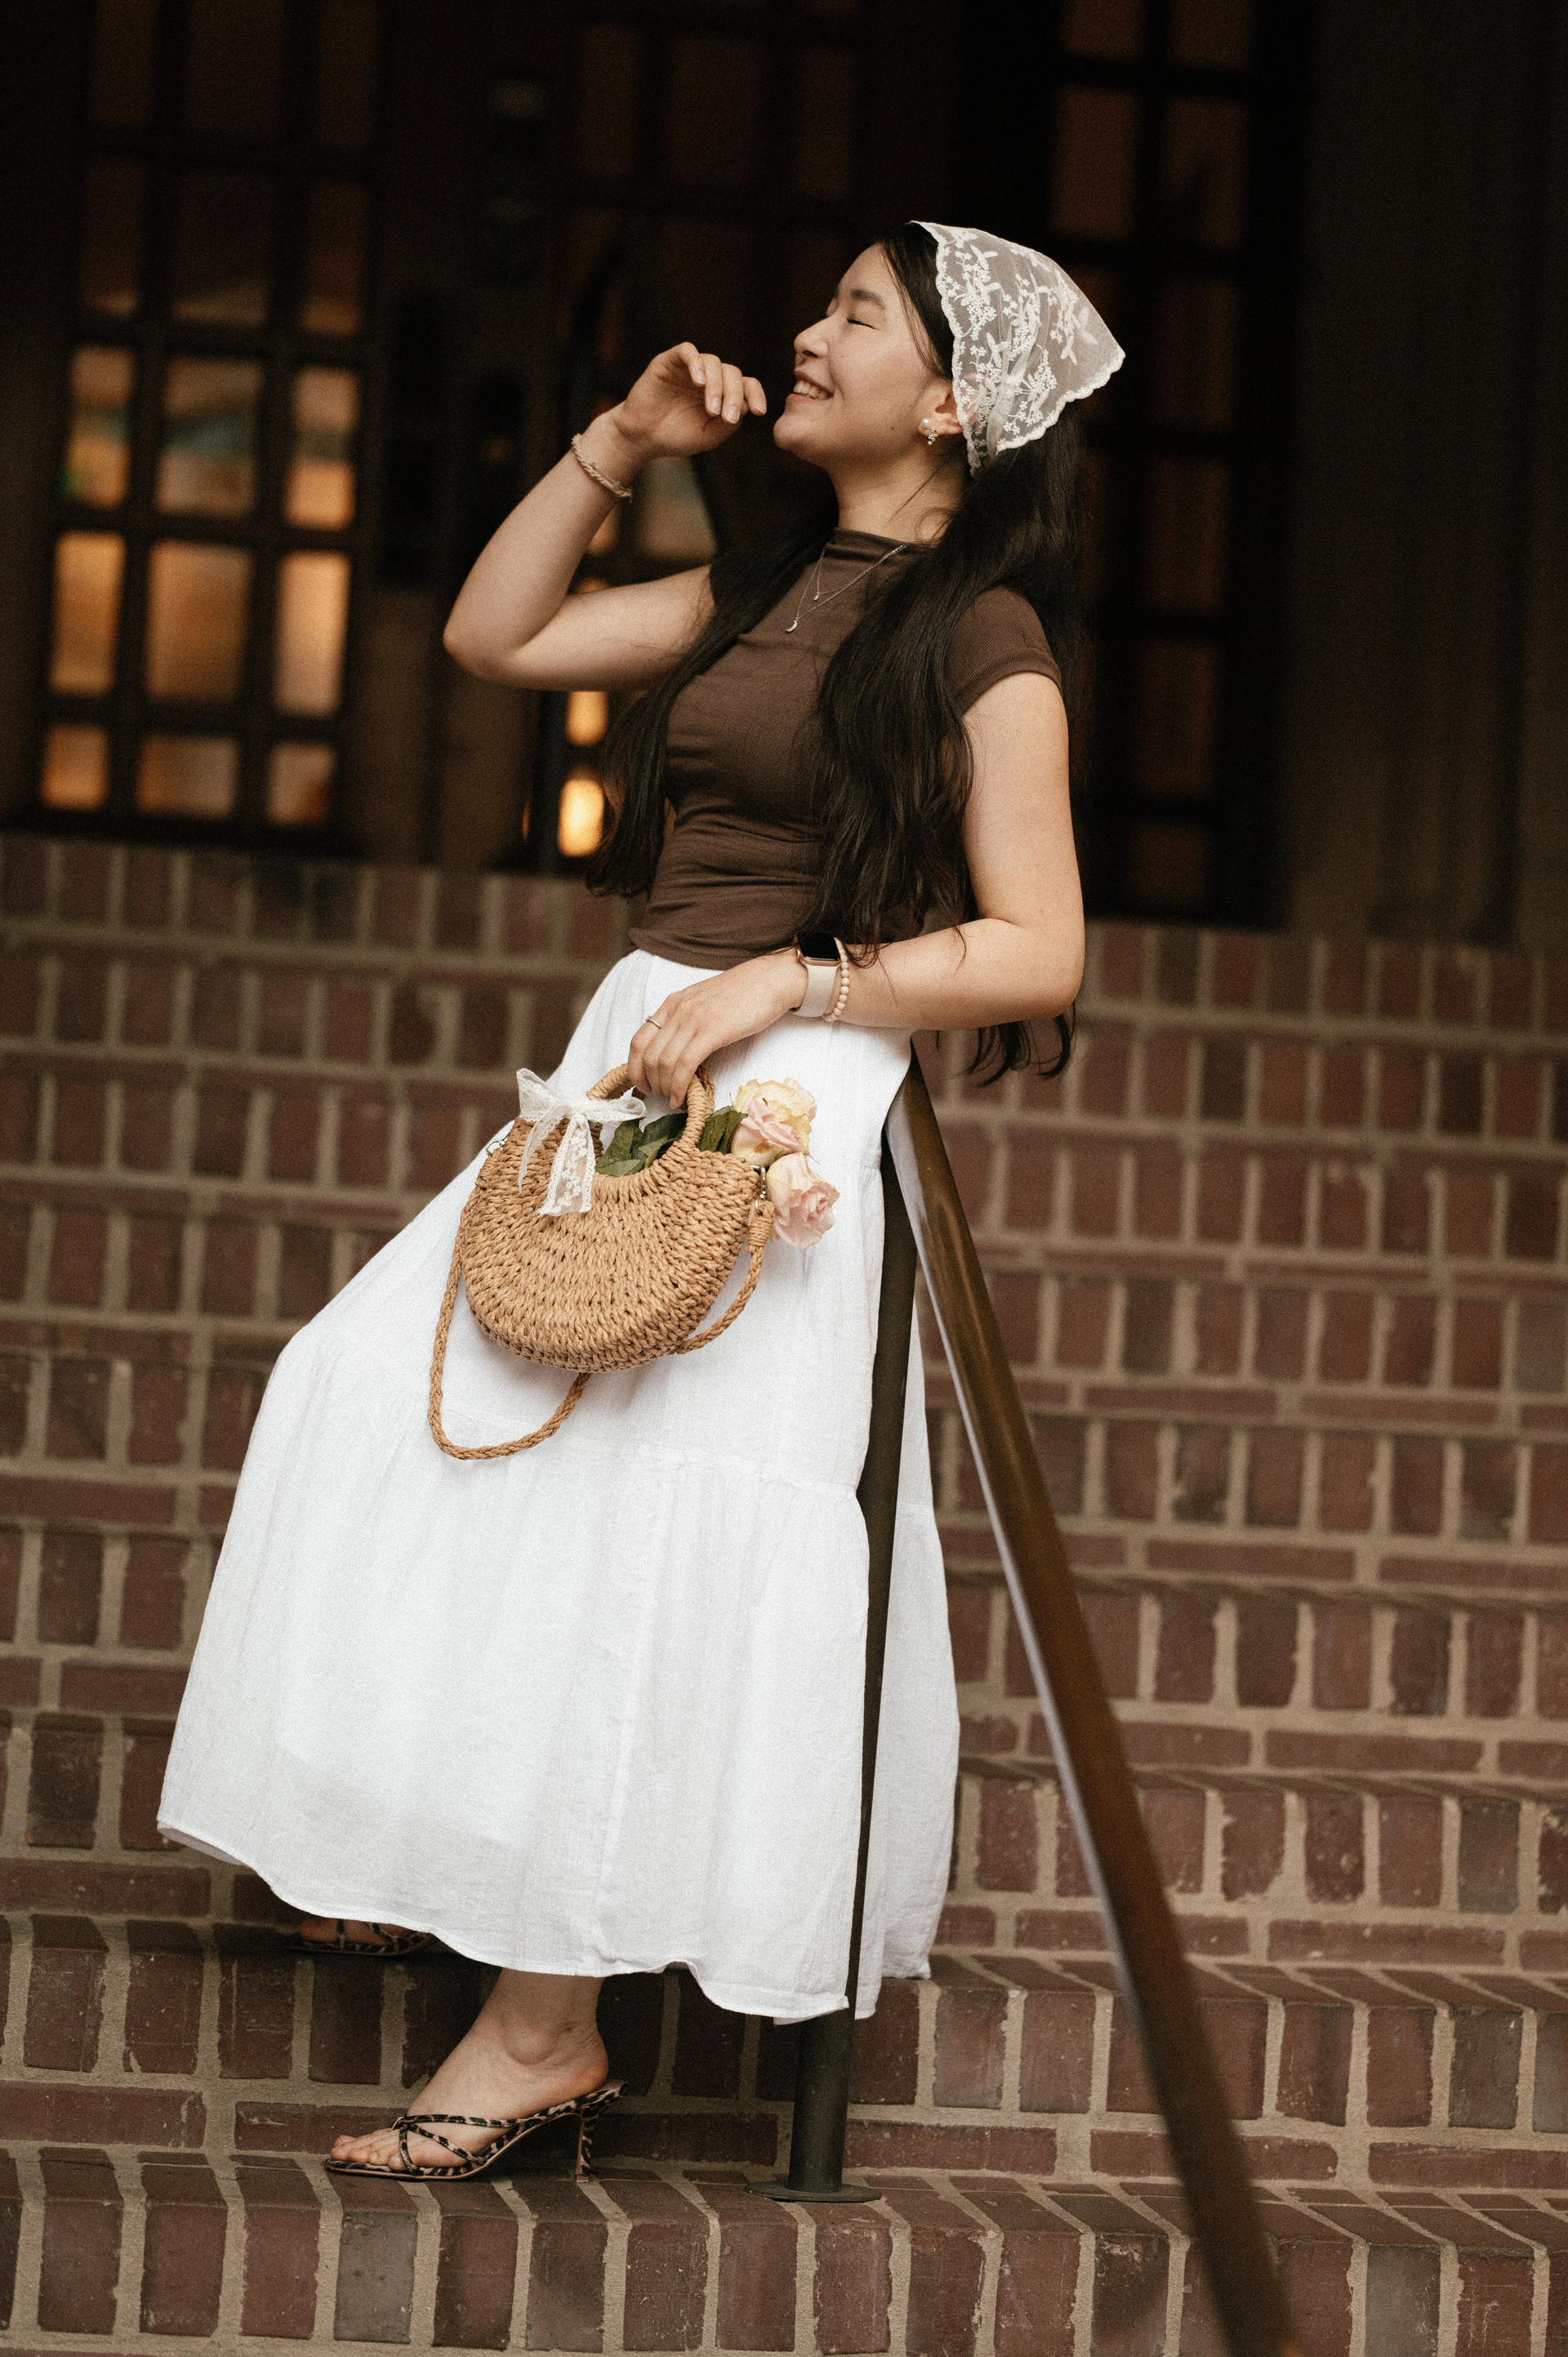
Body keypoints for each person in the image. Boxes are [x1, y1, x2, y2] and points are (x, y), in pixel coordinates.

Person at [158, 221, 1121, 2178]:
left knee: (650, 1538)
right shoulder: (759, 583)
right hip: (641, 1049)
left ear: (952, 401)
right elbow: (496, 638)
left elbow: (1042, 947)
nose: (804, 337)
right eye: (823, 308)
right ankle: (437, 1856)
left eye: (854, 315)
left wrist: (796, 982)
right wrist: (620, 437)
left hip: (786, 1095)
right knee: (374, 1393)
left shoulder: (984, 639)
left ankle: (542, 2032)